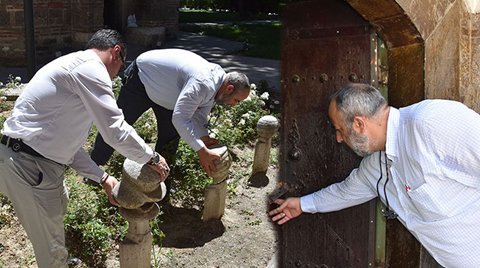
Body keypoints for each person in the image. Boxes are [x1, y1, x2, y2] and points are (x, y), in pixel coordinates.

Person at [0, 29, 169, 268]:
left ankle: (60, 260)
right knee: (51, 250)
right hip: (28, 164)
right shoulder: (90, 68)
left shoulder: (75, 67)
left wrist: (104, 178)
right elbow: (115, 130)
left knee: (59, 209)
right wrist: (150, 157)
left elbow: (68, 148)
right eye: (120, 69)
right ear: (116, 52)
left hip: (30, 159)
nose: (115, 77)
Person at [269, 83, 480, 268]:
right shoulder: (376, 167)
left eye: (339, 130)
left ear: (359, 124)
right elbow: (343, 193)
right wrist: (302, 204)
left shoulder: (431, 122)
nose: (339, 139)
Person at [90, 48, 251, 176]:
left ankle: (161, 179)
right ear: (229, 88)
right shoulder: (204, 83)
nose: (234, 105)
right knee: (116, 126)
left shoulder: (217, 86)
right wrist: (201, 151)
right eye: (236, 100)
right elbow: (181, 118)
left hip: (167, 93)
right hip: (141, 80)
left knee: (170, 138)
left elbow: (199, 113)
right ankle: (94, 170)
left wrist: (204, 138)